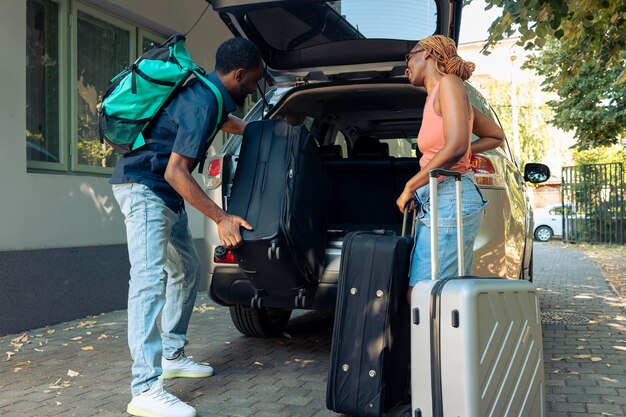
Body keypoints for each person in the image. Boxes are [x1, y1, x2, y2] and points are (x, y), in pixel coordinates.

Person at [110, 37, 263, 417]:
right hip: (145, 189)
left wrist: (266, 131)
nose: (253, 89)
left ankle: (172, 354)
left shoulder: (210, 94)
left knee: (185, 269)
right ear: (239, 75)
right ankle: (144, 388)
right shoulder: (202, 100)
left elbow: (225, 121)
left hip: (164, 195)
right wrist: (221, 217)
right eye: (253, 82)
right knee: (148, 281)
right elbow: (175, 171)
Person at [396, 35, 505, 299]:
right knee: (431, 292)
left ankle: (439, 342)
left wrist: (411, 185)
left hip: (451, 196)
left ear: (429, 53)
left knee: (426, 293)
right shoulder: (438, 94)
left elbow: (457, 145)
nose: (405, 66)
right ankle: (437, 341)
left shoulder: (450, 84)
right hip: (438, 195)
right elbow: (490, 137)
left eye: (408, 56)